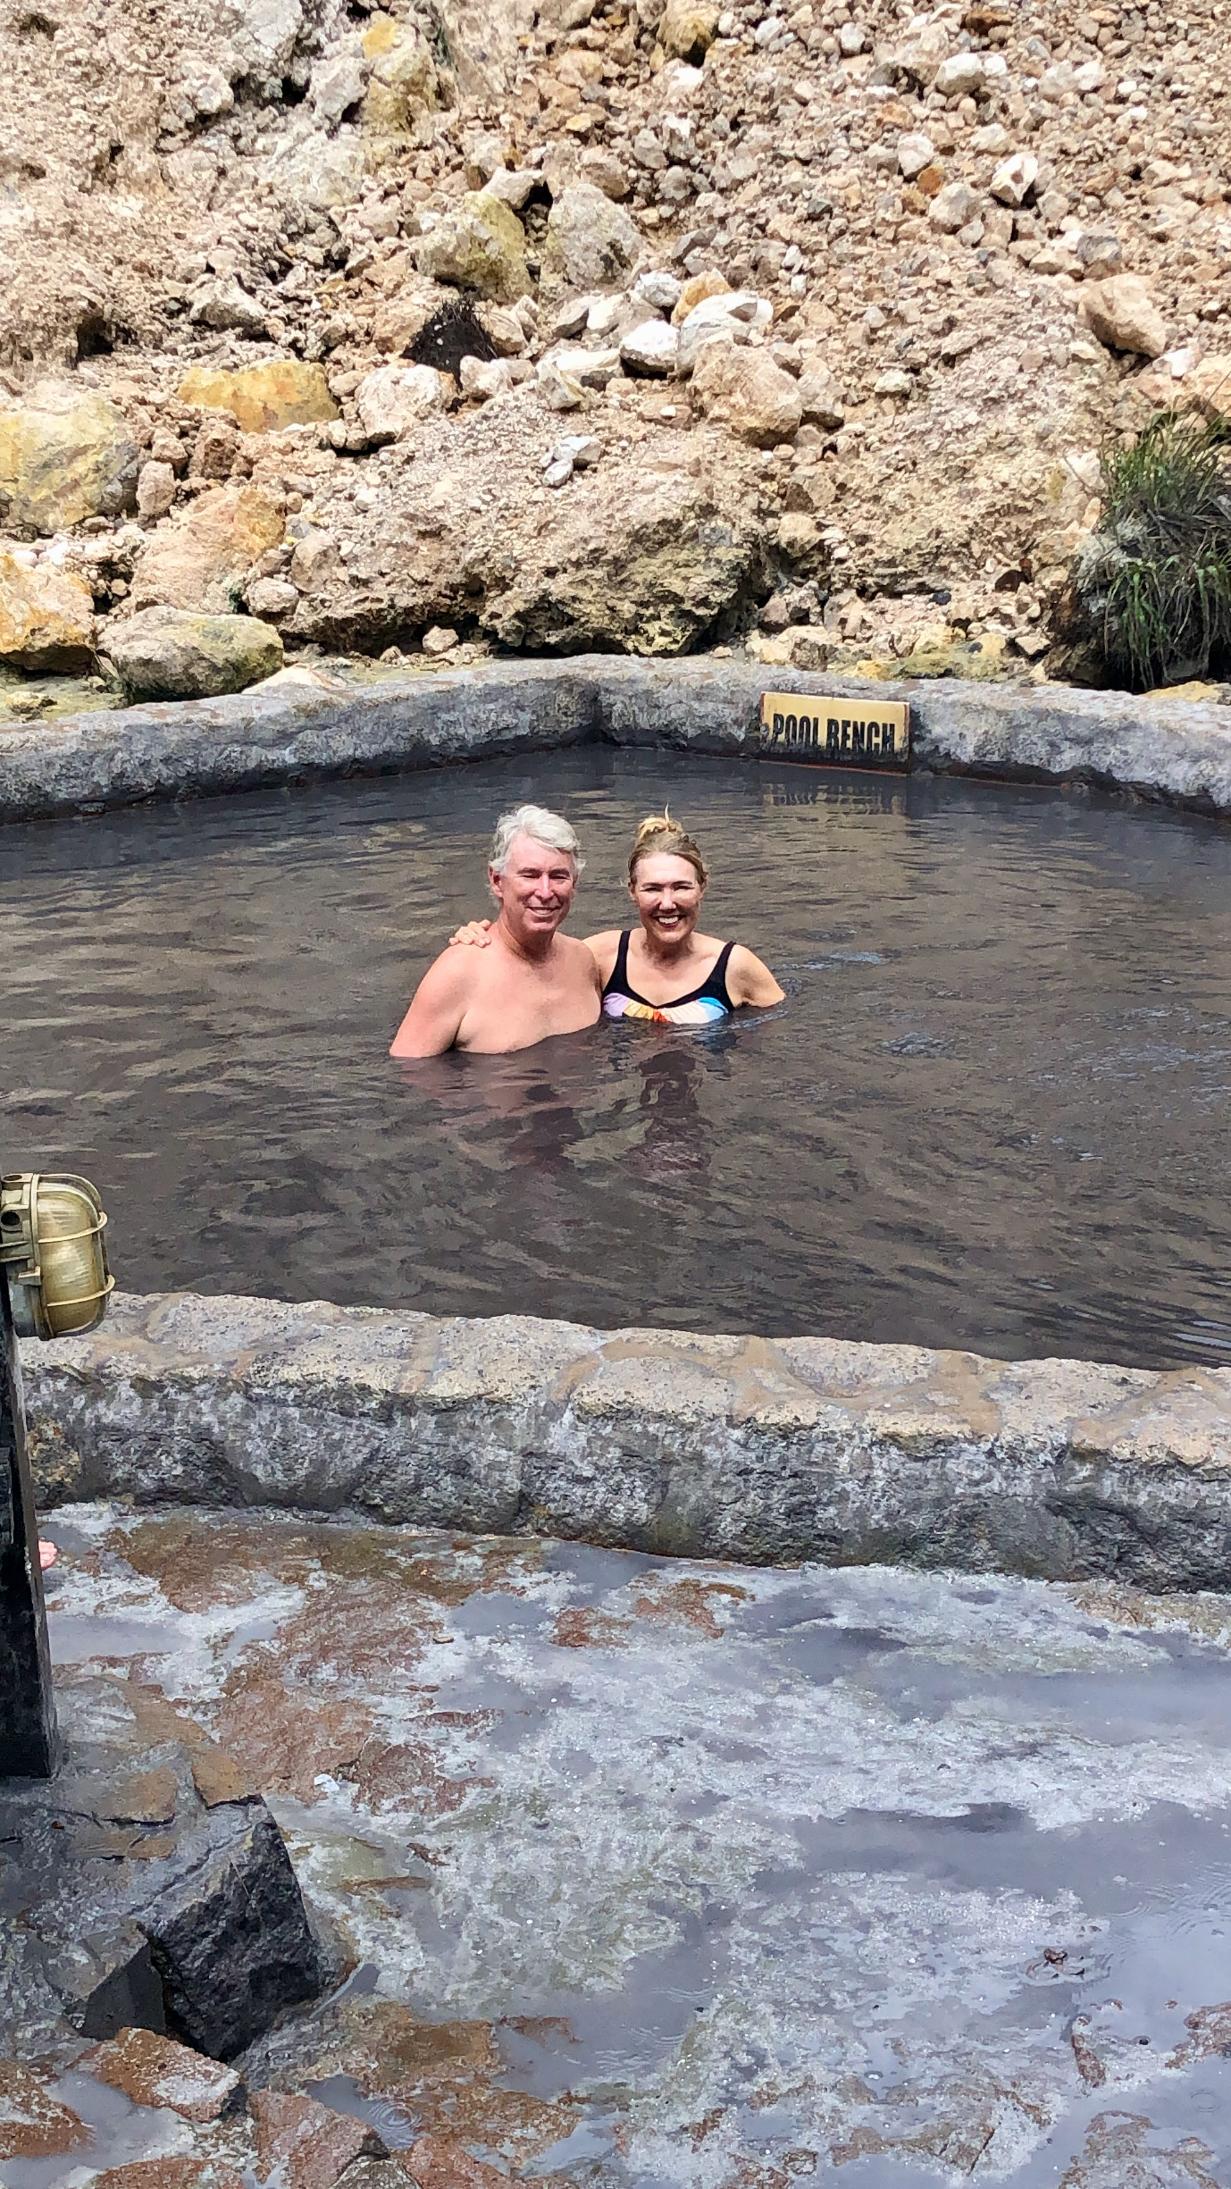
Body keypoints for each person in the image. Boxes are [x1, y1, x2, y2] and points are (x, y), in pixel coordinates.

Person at [448, 810, 785, 1026]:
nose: (667, 903)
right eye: (652, 888)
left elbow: (779, 1040)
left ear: (701, 888)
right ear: (632, 891)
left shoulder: (736, 966)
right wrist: (482, 938)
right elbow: (535, 963)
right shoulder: (600, 957)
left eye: (681, 887)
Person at [389, 804, 601, 1057]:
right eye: (530, 875)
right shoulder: (458, 973)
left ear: (574, 884)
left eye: (558, 876)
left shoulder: (582, 960)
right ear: (497, 880)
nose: (545, 892)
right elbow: (407, 1079)